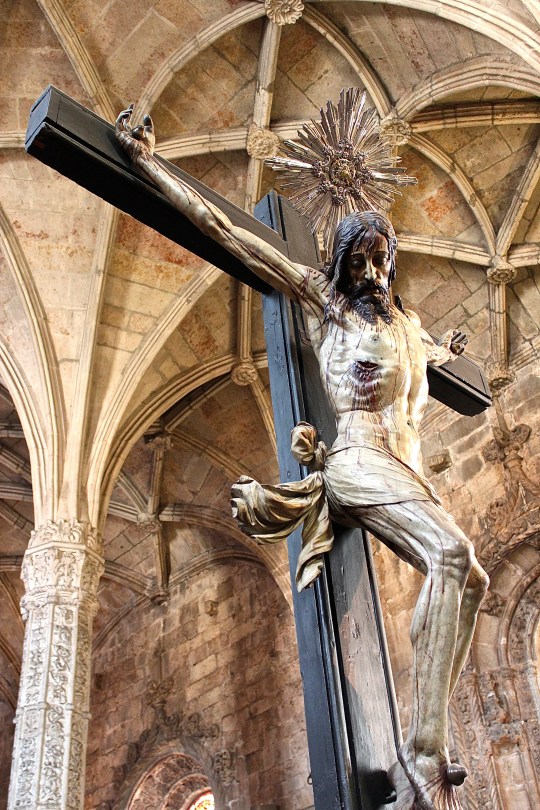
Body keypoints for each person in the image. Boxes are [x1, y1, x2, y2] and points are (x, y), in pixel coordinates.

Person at [116, 107, 489, 810]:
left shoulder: (408, 325)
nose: (372, 271)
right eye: (359, 261)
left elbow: (437, 361)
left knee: (470, 577)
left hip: (407, 469)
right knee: (451, 555)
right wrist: (149, 165)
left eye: (381, 258)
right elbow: (227, 232)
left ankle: (426, 745)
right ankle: (425, 749)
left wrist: (450, 355)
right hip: (356, 456)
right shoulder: (328, 305)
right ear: (340, 265)